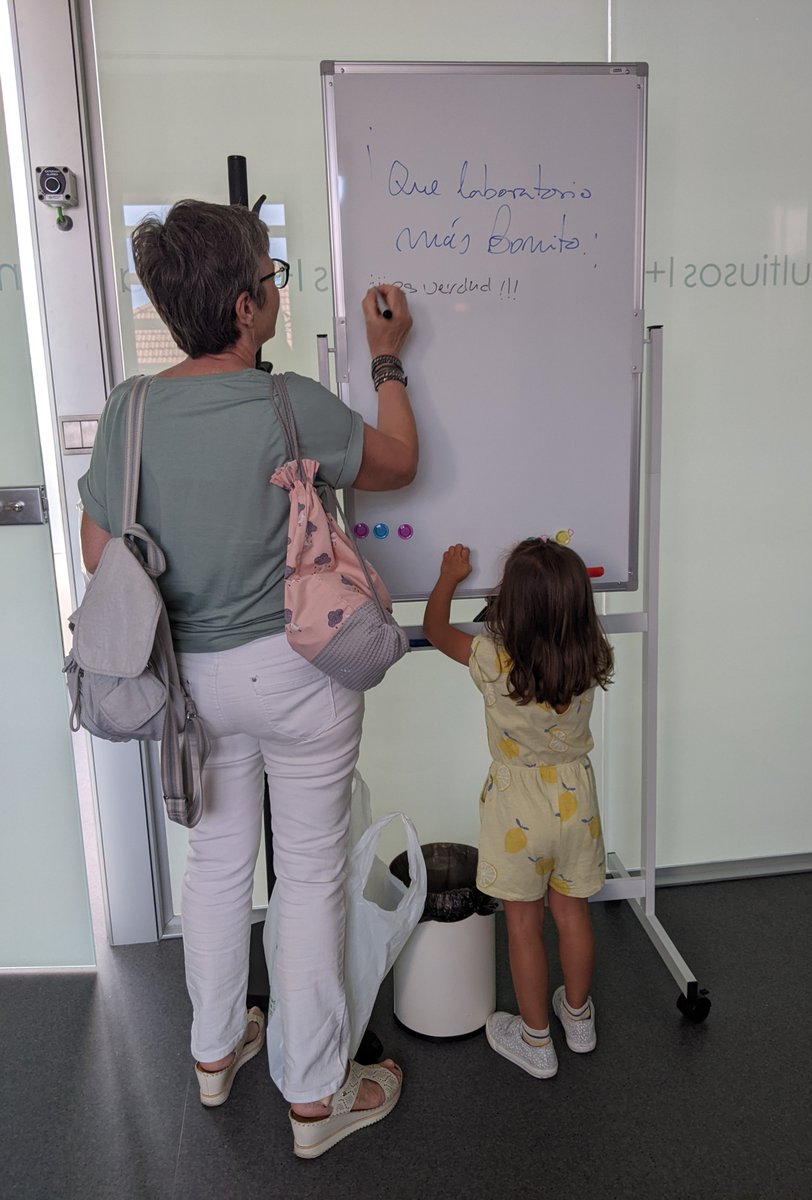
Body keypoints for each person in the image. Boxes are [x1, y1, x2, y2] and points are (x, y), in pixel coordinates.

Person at [78, 199, 416, 1158]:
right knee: (307, 875)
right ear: (242, 307)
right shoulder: (288, 403)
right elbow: (399, 460)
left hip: (186, 686)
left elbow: (107, 553)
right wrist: (387, 358)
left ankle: (215, 1054)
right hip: (299, 675)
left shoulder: (130, 412)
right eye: (271, 280)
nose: (276, 292)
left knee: (217, 863)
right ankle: (315, 1099)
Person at [423, 538, 614, 1078]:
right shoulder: (593, 653)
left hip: (516, 812)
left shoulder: (493, 658)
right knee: (572, 915)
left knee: (524, 927)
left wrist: (449, 577)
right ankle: (577, 1020)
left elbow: (436, 630)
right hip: (578, 806)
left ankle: (535, 1040)